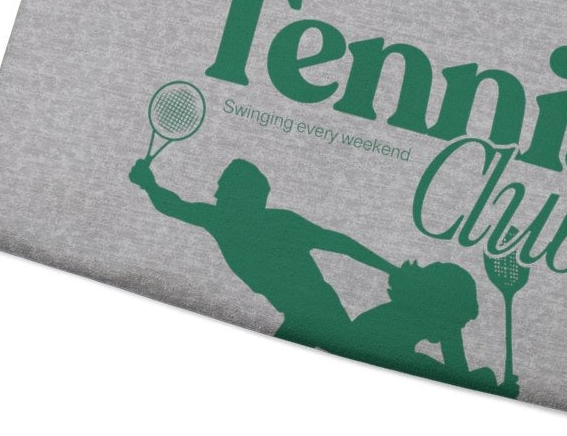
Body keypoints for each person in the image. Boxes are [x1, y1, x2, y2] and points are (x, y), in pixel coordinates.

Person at [128, 155, 391, 352]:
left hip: (321, 310)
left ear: (242, 195)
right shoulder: (221, 221)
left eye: (223, 187)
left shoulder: (278, 223)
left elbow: (341, 244)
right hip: (300, 314)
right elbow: (174, 206)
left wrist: (391, 269)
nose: (216, 192)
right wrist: (149, 184)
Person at [345, 261, 518, 397]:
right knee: (485, 377)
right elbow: (460, 381)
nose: (456, 330)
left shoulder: (433, 317)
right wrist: (495, 390)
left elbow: (459, 373)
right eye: (457, 322)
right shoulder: (384, 329)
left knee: (484, 376)